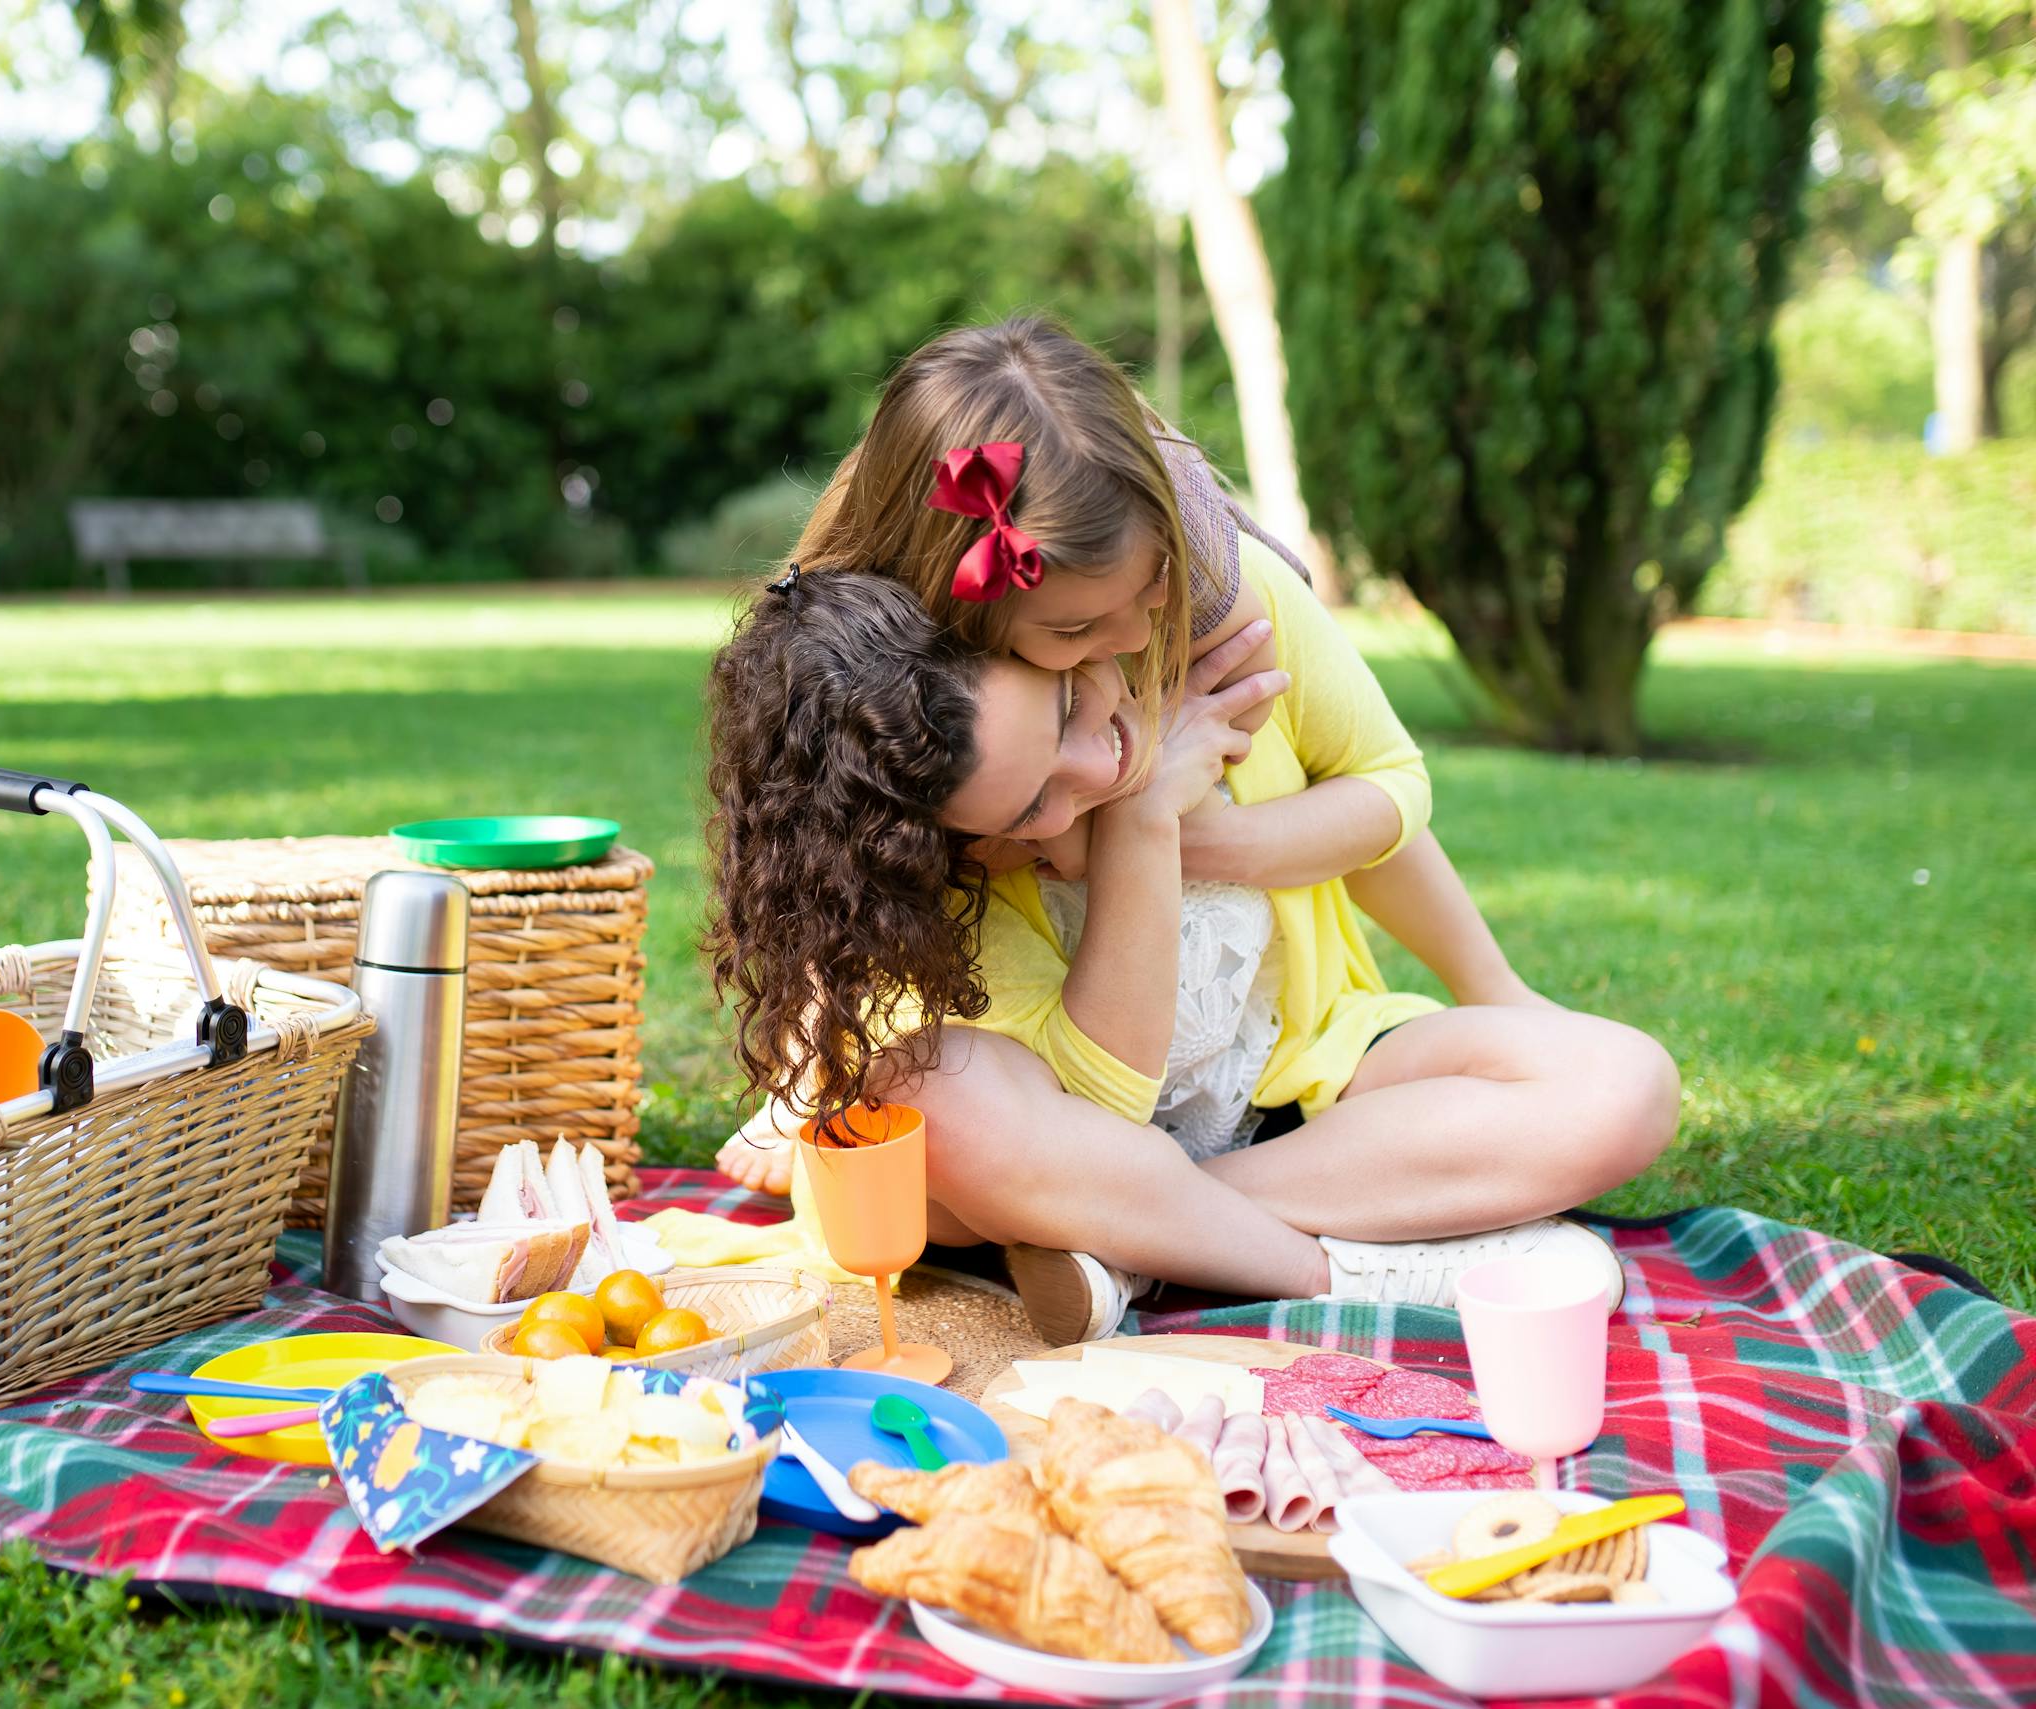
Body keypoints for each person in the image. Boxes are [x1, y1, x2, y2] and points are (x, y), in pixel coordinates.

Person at [705, 319, 1676, 1339]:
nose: (1127, 642)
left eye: (1147, 594)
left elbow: (1389, 795)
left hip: (1291, 1079)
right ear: (960, 625)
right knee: (930, 1110)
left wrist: (1171, 825)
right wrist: (1134, 824)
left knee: (1621, 1082)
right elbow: (1091, 1105)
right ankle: (1330, 1262)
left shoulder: (1223, 610)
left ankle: (1131, 1244)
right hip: (1071, 1121)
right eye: (1073, 644)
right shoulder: (928, 752)